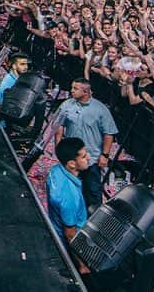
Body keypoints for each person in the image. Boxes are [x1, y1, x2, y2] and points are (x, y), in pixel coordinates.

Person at [55, 77, 118, 211]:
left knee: (93, 191)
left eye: (75, 89)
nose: (71, 91)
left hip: (91, 158)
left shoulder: (100, 109)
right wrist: (58, 147)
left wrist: (105, 155)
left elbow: (109, 134)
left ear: (85, 92)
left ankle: (95, 222)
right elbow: (59, 125)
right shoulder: (67, 105)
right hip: (71, 158)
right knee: (70, 188)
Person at [47, 137, 91, 244]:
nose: (89, 157)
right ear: (72, 163)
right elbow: (71, 235)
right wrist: (81, 261)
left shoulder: (55, 170)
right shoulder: (69, 197)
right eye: (84, 156)